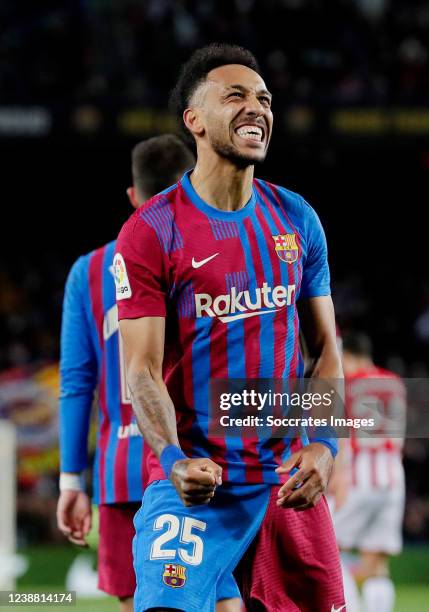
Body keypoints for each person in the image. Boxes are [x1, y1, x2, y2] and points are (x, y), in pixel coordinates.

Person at [115, 44, 344, 612]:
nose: (257, 108)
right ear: (192, 120)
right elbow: (140, 371)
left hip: (286, 482)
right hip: (196, 482)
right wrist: (171, 458)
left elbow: (324, 356)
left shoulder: (297, 217)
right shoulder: (153, 230)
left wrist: (325, 445)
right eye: (235, 96)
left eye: (264, 99)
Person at [57, 135, 241, 612]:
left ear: (133, 198)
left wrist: (71, 481)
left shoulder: (88, 271)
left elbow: (77, 382)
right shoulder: (228, 251)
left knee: (145, 603)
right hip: (204, 459)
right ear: (189, 186)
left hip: (123, 468)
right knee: (221, 597)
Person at [331, 331, 406, 612]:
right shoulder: (395, 383)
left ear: (347, 355)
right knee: (377, 563)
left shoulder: (349, 384)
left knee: (330, 549)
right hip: (393, 477)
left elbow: (340, 433)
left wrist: (336, 476)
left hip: (358, 476)